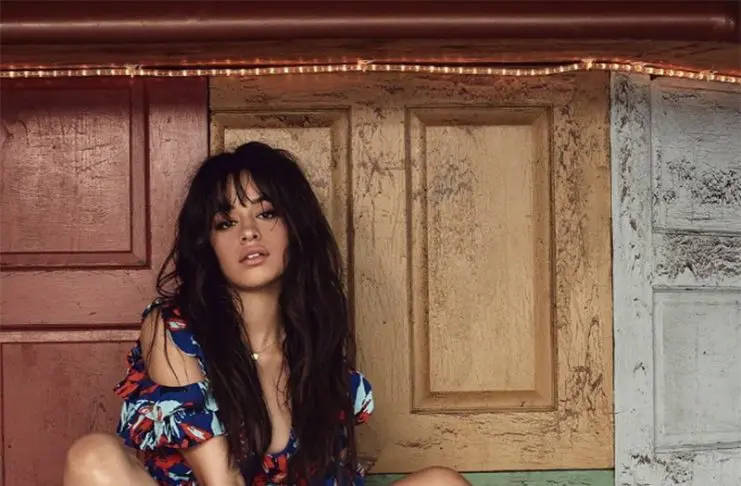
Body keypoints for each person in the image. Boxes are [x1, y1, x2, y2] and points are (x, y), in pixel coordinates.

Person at [63, 142, 471, 486]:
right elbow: (221, 481)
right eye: (226, 222)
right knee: (93, 457)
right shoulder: (174, 329)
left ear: (294, 226)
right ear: (207, 244)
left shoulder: (313, 340)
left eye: (266, 212)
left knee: (442, 482)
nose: (248, 232)